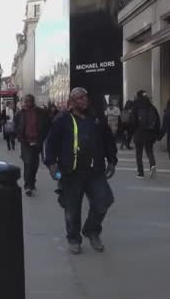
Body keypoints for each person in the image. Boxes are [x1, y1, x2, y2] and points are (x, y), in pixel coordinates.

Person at [45, 87, 117, 254]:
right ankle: (73, 239)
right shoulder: (62, 120)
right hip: (71, 173)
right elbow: (51, 144)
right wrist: (51, 165)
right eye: (78, 98)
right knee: (71, 209)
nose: (83, 100)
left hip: (95, 171)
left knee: (104, 201)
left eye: (85, 97)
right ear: (71, 101)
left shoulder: (96, 119)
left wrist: (112, 161)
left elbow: (108, 141)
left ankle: (91, 230)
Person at [14, 94, 50, 197]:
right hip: (25, 142)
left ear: (33, 102)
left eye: (29, 101)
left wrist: (42, 138)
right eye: (25, 101)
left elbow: (48, 125)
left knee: (34, 163)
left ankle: (32, 181)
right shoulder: (20, 113)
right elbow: (16, 126)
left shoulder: (41, 112)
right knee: (28, 162)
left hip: (37, 141)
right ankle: (28, 186)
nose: (26, 103)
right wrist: (20, 138)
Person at [132, 90, 161, 179]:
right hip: (150, 133)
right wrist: (156, 134)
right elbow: (158, 122)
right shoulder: (152, 107)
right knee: (149, 151)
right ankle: (152, 165)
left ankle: (141, 173)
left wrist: (133, 132)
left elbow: (133, 121)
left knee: (139, 154)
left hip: (139, 133)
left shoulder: (136, 106)